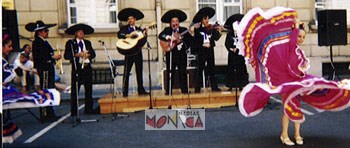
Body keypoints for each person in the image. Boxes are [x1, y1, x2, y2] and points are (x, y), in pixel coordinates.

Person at [237, 7, 350, 146]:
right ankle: (284, 135)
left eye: (303, 37)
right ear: (294, 36)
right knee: (289, 105)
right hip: (286, 81)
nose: (301, 39)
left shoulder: (298, 52)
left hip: (297, 81)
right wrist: (295, 27)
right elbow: (291, 43)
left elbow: (300, 67)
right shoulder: (289, 47)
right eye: (299, 36)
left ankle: (297, 134)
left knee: (299, 102)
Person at [25, 20, 61, 122]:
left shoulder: (44, 42)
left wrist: (54, 58)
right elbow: (42, 56)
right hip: (44, 69)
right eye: (45, 31)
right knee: (45, 90)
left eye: (47, 31)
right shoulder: (37, 42)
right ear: (39, 32)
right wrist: (53, 56)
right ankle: (45, 113)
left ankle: (50, 111)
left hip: (48, 68)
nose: (47, 32)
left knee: (49, 89)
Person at [158, 9, 194, 95]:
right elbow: (160, 36)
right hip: (171, 54)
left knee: (182, 72)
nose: (175, 23)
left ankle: (184, 90)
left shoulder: (183, 30)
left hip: (181, 54)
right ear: (170, 23)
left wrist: (190, 35)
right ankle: (169, 91)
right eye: (173, 21)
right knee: (170, 72)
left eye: (177, 21)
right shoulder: (167, 30)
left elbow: (190, 42)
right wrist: (169, 37)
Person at [64, 23, 97, 115]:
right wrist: (77, 54)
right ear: (76, 33)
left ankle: (88, 109)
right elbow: (66, 55)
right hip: (77, 68)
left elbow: (93, 54)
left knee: (88, 89)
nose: (81, 33)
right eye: (79, 32)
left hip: (87, 67)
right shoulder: (71, 43)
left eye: (82, 32)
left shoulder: (87, 42)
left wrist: (88, 55)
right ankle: (74, 111)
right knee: (75, 89)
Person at [117, 8, 149, 97]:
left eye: (132, 18)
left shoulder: (139, 29)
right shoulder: (124, 28)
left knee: (139, 71)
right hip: (128, 53)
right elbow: (120, 35)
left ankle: (141, 89)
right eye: (129, 19)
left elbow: (142, 41)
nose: (130, 20)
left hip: (138, 52)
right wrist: (128, 35)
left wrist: (145, 34)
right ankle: (125, 91)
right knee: (126, 72)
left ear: (135, 20)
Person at [191, 7, 222, 93]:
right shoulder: (198, 29)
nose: (207, 20)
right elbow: (196, 41)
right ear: (201, 20)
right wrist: (193, 33)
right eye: (205, 19)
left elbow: (215, 38)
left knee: (212, 68)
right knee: (200, 69)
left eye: (208, 18)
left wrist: (219, 31)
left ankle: (214, 87)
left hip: (210, 50)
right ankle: (197, 88)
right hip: (202, 50)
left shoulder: (211, 28)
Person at [224, 14, 249, 91]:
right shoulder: (229, 34)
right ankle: (231, 85)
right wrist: (231, 49)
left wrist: (238, 49)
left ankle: (241, 85)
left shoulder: (242, 35)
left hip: (239, 54)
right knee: (231, 69)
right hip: (232, 55)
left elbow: (243, 43)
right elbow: (226, 43)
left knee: (240, 69)